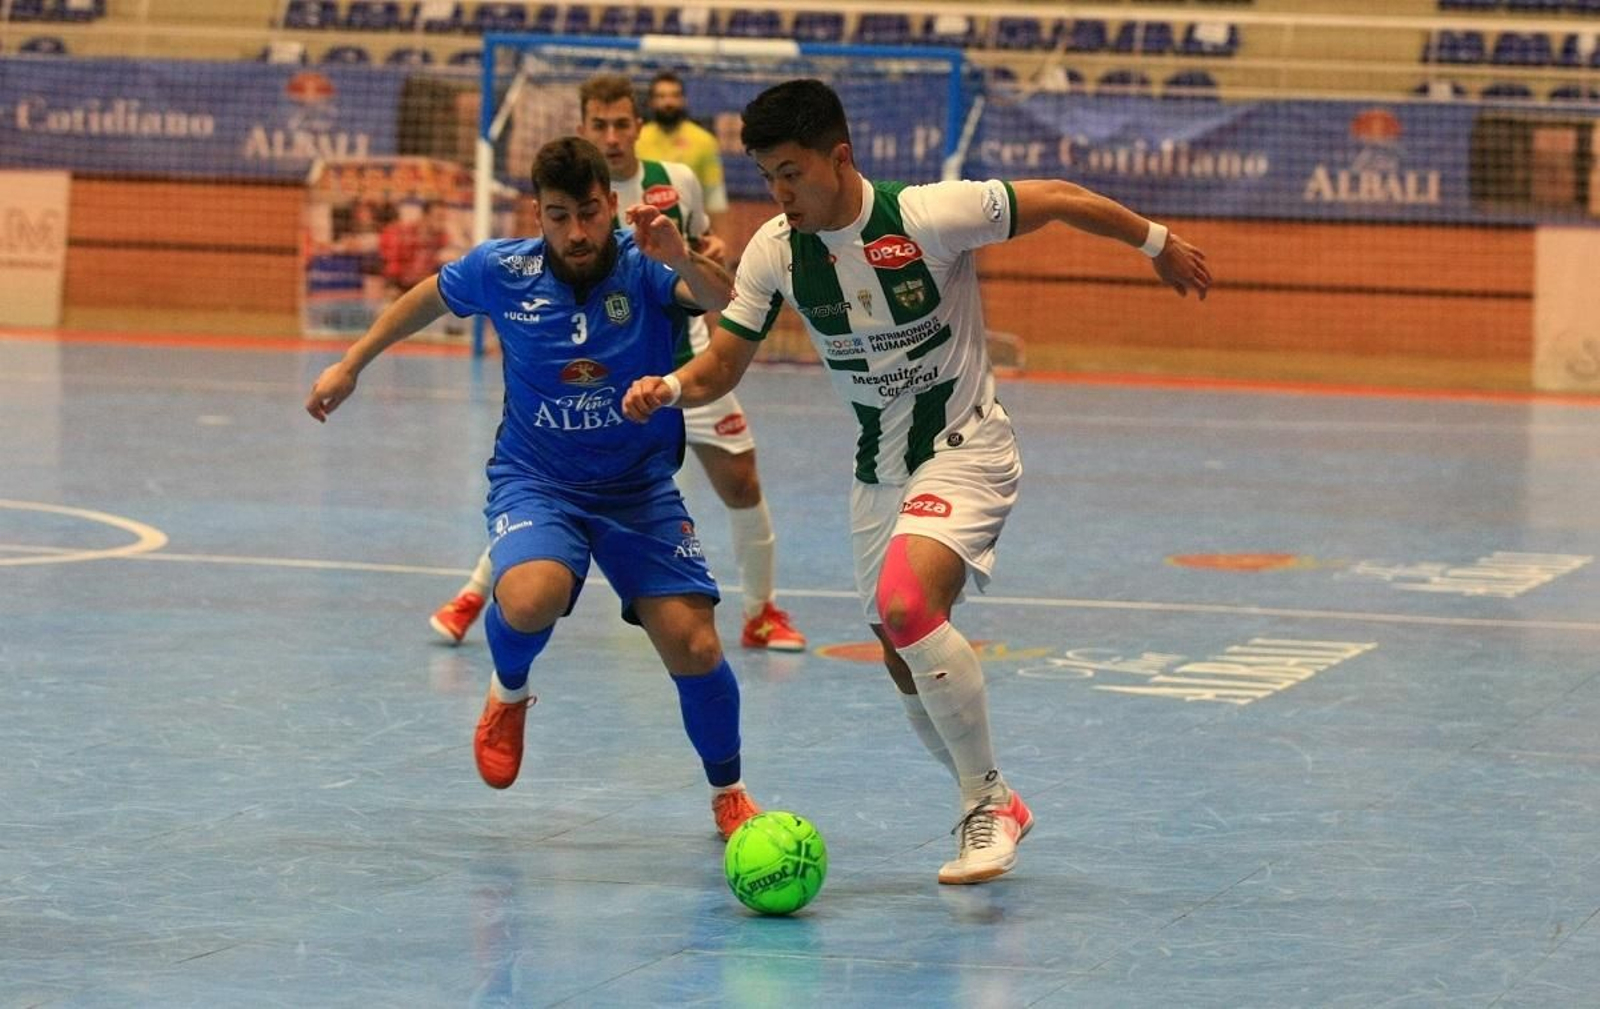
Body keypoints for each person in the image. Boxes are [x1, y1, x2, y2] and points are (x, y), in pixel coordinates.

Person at [623, 79, 1212, 883]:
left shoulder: (929, 215)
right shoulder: (773, 252)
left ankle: (987, 802)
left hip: (967, 447)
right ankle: (994, 796)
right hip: (877, 472)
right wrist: (669, 386)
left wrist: (1156, 242)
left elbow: (1063, 197)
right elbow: (725, 359)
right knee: (902, 655)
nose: (781, 191)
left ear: (841, 157)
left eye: (793, 171)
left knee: (907, 605)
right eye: (768, 176)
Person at [307, 136, 764, 840]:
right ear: (537, 215)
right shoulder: (503, 269)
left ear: (611, 204)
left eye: (588, 212)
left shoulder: (646, 269)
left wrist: (680, 254)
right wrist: (352, 363)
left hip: (638, 488)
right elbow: (426, 298)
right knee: (529, 595)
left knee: (696, 646)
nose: (577, 232)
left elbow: (727, 306)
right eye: (559, 217)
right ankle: (507, 693)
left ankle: (729, 790)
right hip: (538, 480)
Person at [431, 73, 806, 655]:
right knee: (563, 474)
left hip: (684, 361)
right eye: (599, 125)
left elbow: (707, 250)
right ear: (584, 129)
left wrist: (697, 259)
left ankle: (761, 613)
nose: (610, 135)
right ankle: (478, 594)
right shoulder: (570, 193)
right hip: (607, 372)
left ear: (638, 127)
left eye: (621, 124)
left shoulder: (672, 181)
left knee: (741, 478)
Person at [636, 71, 729, 236]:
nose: (668, 102)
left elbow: (715, 197)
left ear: (684, 100)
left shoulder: (704, 141)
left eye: (675, 95)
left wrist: (720, 242)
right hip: (643, 235)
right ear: (651, 102)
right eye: (661, 96)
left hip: (690, 236)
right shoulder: (636, 139)